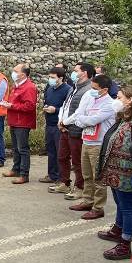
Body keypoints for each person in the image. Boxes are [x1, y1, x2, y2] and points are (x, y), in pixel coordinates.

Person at [95, 85, 132, 260]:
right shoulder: (124, 119)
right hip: (114, 171)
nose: (116, 101)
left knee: (127, 208)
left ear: (130, 100)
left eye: (119, 97)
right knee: (120, 204)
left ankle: (125, 244)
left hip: (127, 173)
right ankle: (117, 230)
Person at [63, 74, 116, 219]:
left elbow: (92, 120)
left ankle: (98, 207)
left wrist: (83, 120)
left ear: (104, 90)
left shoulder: (109, 104)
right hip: (86, 141)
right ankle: (87, 200)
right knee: (87, 174)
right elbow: (81, 115)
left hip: (98, 145)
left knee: (97, 177)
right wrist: (83, 120)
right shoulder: (92, 99)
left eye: (94, 88)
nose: (91, 90)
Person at [54, 63, 94, 199]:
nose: (73, 73)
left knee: (77, 161)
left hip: (76, 130)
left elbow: (79, 112)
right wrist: (61, 121)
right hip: (65, 129)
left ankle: (80, 187)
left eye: (76, 70)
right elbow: (65, 106)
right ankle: (64, 182)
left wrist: (65, 122)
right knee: (62, 157)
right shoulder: (74, 88)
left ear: (85, 73)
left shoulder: (88, 90)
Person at [1, 64, 37, 185]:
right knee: (16, 148)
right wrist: (8, 104)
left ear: (23, 74)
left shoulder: (29, 87)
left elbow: (30, 106)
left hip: (23, 122)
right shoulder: (16, 86)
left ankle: (24, 174)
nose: (13, 72)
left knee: (23, 149)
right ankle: (16, 169)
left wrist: (12, 106)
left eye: (16, 71)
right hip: (14, 121)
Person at [40, 67, 71, 184]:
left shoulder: (67, 90)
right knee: (51, 151)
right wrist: (46, 108)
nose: (50, 79)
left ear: (61, 78)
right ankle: (52, 174)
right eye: (49, 77)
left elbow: (67, 108)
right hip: (49, 124)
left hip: (59, 126)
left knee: (61, 153)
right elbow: (47, 102)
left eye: (53, 78)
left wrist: (56, 110)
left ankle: (61, 178)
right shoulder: (50, 89)